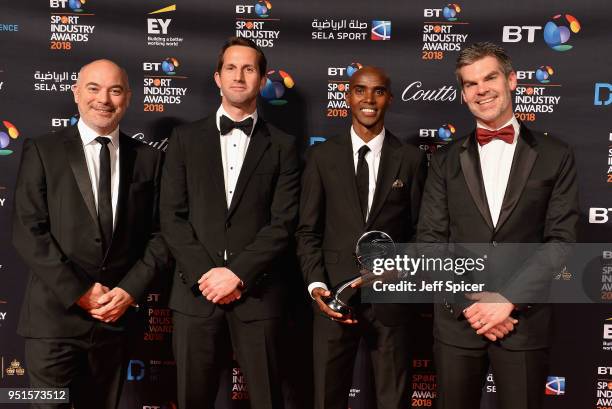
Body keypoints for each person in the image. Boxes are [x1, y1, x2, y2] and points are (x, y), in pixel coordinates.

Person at [417, 42, 579, 409]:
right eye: (470, 84)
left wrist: (507, 300)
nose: (482, 89)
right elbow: (430, 240)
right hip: (458, 321)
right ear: (463, 94)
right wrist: (474, 305)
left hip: (523, 322)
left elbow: (561, 240)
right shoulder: (443, 160)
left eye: (490, 77)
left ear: (512, 80)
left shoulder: (556, 155)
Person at [12, 59, 168, 409]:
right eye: (94, 88)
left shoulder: (149, 160)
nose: (104, 99)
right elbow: (28, 232)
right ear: (76, 93)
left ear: (128, 97)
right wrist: (79, 292)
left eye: (114, 90)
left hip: (114, 323)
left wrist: (129, 292)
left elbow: (161, 236)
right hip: (52, 324)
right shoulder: (42, 150)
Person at [160, 37, 300, 409]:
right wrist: (208, 275)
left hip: (258, 295)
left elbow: (283, 222)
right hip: (195, 295)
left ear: (263, 78)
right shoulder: (184, 139)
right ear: (217, 77)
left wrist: (236, 274)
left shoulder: (285, 146)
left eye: (249, 68)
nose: (239, 76)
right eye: (231, 68)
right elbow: (171, 218)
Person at [296, 66, 427, 409]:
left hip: (391, 301)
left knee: (393, 400)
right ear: (347, 96)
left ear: (389, 98)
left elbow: (421, 231)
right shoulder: (321, 157)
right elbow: (308, 230)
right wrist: (316, 286)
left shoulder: (412, 159)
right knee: (326, 398)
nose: (369, 99)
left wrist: (404, 267)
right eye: (360, 90)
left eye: (378, 91)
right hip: (333, 301)